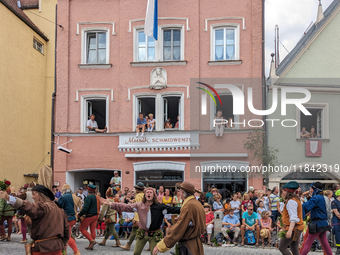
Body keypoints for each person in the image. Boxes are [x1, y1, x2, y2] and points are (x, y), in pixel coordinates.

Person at [100, 187, 181, 255]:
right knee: (136, 253)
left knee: (153, 254)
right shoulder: (139, 205)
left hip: (154, 234)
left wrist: (186, 207)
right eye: (147, 192)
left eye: (151, 192)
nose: (149, 193)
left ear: (154, 195)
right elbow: (124, 206)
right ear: (145, 195)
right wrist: (110, 204)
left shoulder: (160, 207)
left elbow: (174, 209)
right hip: (142, 233)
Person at [0, 185, 69, 255]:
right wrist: (64, 243)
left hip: (42, 248)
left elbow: (29, 206)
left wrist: (9, 198)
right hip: (57, 247)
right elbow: (66, 229)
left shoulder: (44, 207)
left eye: (34, 194)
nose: (32, 197)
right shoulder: (60, 210)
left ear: (42, 195)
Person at [154, 181, 206, 255]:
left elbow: (179, 228)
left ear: (183, 192)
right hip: (196, 243)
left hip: (189, 245)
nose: (179, 193)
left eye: (180, 191)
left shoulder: (188, 205)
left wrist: (162, 245)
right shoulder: (197, 203)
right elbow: (193, 222)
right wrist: (181, 218)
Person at [300, 182, 332, 255]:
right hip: (323, 223)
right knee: (325, 244)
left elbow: (306, 206)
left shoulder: (316, 197)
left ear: (315, 189)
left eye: (311, 189)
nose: (310, 190)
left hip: (317, 224)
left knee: (307, 244)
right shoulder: (323, 197)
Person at [278, 181, 304, 255]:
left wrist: (289, 231)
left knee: (282, 247)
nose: (282, 193)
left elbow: (293, 217)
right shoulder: (295, 199)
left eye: (283, 191)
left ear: (287, 191)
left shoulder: (291, 201)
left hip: (293, 228)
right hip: (297, 227)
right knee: (294, 248)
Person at [120, 182, 145, 251]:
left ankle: (128, 245)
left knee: (135, 231)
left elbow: (139, 208)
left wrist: (135, 218)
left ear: (137, 189)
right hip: (143, 216)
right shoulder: (143, 195)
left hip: (139, 217)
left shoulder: (138, 196)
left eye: (135, 188)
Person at [57, 184, 81, 255]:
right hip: (73, 217)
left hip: (67, 219)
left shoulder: (63, 197)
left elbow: (58, 207)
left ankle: (76, 251)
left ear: (63, 190)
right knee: (68, 234)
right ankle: (65, 251)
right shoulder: (73, 196)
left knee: (67, 237)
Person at [77, 184, 100, 250]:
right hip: (96, 215)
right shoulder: (97, 197)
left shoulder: (88, 197)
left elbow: (85, 208)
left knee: (82, 228)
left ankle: (91, 241)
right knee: (92, 230)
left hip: (89, 215)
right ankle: (91, 245)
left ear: (88, 190)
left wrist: (79, 215)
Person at [332, 189, 340, 255]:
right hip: (337, 221)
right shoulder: (334, 202)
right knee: (338, 234)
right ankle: (338, 248)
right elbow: (336, 212)